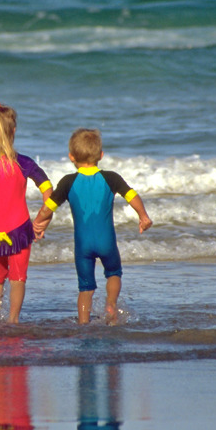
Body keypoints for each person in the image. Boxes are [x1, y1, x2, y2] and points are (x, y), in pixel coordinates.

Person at [32, 128, 152, 325]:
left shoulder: (68, 182)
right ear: (101, 155)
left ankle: (83, 324)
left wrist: (38, 224)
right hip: (107, 242)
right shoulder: (111, 178)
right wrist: (143, 216)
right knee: (114, 273)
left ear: (71, 157)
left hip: (83, 245)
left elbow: (48, 209)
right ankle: (111, 304)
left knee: (85, 288)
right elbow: (132, 196)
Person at [0, 102, 53, 323]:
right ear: (12, 132)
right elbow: (48, 188)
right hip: (20, 231)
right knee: (18, 278)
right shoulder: (23, 162)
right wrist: (43, 219)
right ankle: (13, 321)